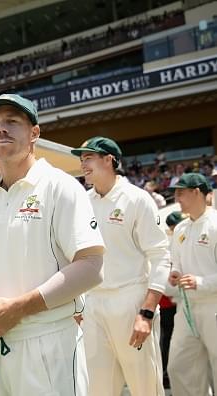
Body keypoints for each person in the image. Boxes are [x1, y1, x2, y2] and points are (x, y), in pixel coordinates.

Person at [0, 93, 105, 396]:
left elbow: (91, 267)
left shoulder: (60, 186)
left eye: (12, 122)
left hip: (47, 341)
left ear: (34, 133)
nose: (1, 129)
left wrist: (19, 309)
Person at [71, 136, 170, 396]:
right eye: (81, 159)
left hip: (131, 301)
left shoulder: (137, 199)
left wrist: (146, 313)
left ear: (110, 160)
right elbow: (77, 257)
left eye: (89, 157)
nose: (83, 164)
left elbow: (160, 255)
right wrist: (79, 304)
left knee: (145, 387)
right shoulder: (83, 202)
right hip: (93, 305)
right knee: (98, 389)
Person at [167, 173, 217, 395]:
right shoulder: (180, 228)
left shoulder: (215, 224)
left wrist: (201, 282)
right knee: (179, 366)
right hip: (186, 307)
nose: (177, 198)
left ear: (197, 191)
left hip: (213, 306)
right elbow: (176, 263)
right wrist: (175, 273)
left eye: (181, 193)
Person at [159, 211, 185, 389]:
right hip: (168, 300)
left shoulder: (179, 238)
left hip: (174, 298)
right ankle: (166, 373)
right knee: (168, 337)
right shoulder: (170, 241)